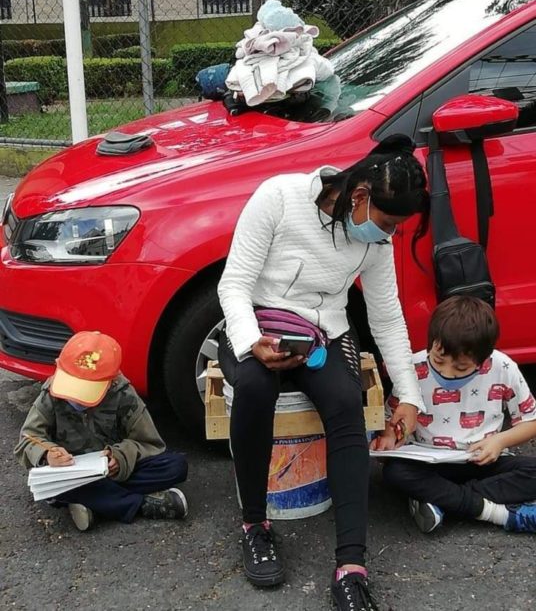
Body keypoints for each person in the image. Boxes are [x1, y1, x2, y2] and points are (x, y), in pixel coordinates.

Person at [217, 135, 430, 611]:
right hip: (259, 320)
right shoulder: (279, 197)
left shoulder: (372, 243)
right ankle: (256, 525)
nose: (390, 235)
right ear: (359, 197)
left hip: (325, 331)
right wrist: (252, 341)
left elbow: (386, 315)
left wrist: (409, 394)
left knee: (345, 404)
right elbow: (233, 283)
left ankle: (351, 568)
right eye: (389, 223)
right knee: (253, 385)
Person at [372, 296, 536, 535]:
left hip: (481, 459)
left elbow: (531, 421)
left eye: (460, 368)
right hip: (429, 463)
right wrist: (388, 436)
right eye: (438, 360)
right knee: (395, 472)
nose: (445, 372)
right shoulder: (413, 368)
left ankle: (440, 499)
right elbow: (392, 417)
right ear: (431, 344)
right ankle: (495, 513)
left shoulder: (503, 367)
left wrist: (499, 441)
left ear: (483, 359)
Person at [15, 331, 188, 531]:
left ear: (110, 382)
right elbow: (27, 440)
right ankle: (141, 505)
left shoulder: (123, 394)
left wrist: (121, 457)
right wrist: (47, 454)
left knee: (175, 466)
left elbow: (151, 444)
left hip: (110, 471)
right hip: (70, 474)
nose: (77, 399)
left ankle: (96, 504)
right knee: (51, 487)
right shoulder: (50, 394)